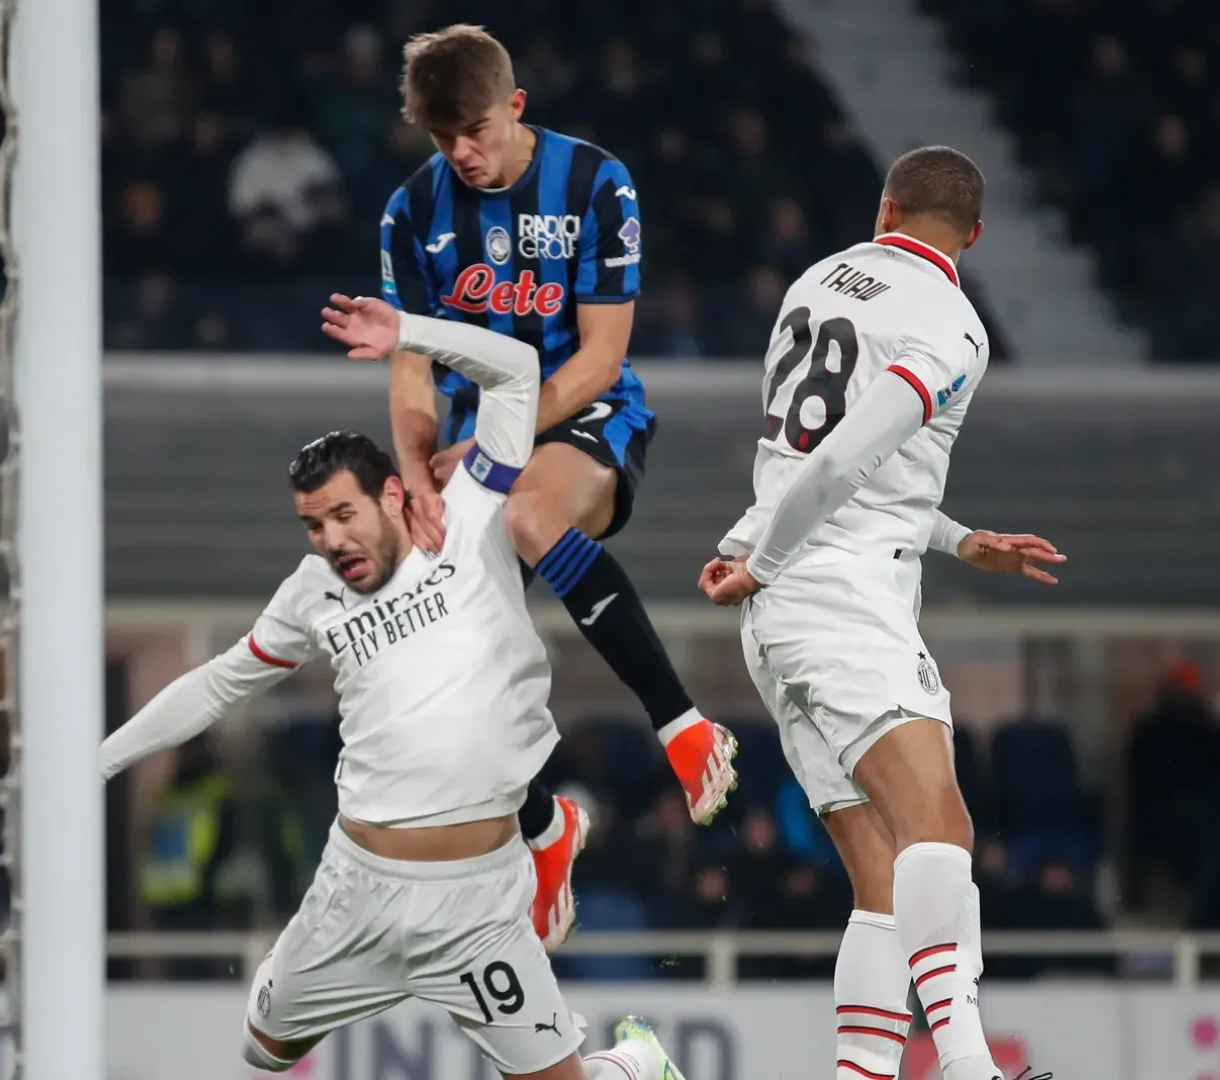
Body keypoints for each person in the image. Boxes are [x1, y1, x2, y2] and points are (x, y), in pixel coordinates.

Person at [102, 295, 683, 1079]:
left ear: (393, 495)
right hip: (357, 889)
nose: (331, 539)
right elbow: (212, 687)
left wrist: (407, 335)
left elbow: (515, 371)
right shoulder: (311, 592)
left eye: (343, 514)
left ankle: (638, 1064)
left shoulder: (474, 509)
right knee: (263, 1050)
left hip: (476, 906)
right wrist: (96, 763)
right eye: (313, 524)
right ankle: (532, 838)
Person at [699, 146, 1056, 1080]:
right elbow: (842, 461)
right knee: (942, 828)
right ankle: (972, 1068)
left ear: (884, 209)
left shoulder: (821, 279)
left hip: (781, 612)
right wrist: (768, 559)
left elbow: (829, 464)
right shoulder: (953, 328)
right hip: (837, 594)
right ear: (973, 236)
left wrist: (959, 537)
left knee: (881, 881)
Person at [378, 23, 737, 945]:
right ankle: (546, 828)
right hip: (472, 448)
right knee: (430, 647)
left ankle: (686, 728)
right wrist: (417, 474)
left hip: (584, 416)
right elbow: (412, 368)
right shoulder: (410, 213)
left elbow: (601, 354)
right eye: (444, 139)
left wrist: (495, 442)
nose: (464, 155)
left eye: (478, 133)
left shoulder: (595, 183)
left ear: (516, 107)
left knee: (534, 511)